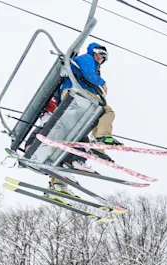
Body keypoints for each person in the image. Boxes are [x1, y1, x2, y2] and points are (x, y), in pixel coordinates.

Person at [50, 43, 122, 197]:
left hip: (77, 94)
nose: (101, 60)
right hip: (78, 93)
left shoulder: (89, 62)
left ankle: (59, 178)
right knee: (106, 111)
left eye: (104, 59)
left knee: (76, 133)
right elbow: (90, 76)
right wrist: (102, 83)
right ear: (95, 52)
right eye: (101, 56)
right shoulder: (87, 58)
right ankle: (100, 139)